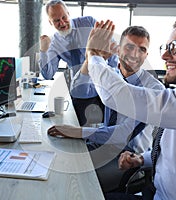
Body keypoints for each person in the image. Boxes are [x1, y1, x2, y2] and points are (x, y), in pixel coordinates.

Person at [84, 15, 176, 199]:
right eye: (167, 47)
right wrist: (142, 159)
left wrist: (93, 54)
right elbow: (173, 153)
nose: (165, 56)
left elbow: (118, 95)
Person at [48, 26, 165, 192]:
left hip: (126, 157)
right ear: (117, 49)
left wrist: (79, 131)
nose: (135, 54)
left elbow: (123, 134)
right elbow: (79, 91)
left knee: (75, 180)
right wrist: (89, 60)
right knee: (60, 159)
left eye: (142, 49)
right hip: (101, 143)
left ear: (146, 55)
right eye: (130, 46)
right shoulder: (111, 74)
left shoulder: (153, 89)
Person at [39, 0, 118, 126]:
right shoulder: (54, 43)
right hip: (82, 92)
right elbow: (47, 75)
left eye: (64, 17)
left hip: (104, 87)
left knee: (108, 130)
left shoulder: (88, 23)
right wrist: (43, 50)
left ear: (68, 13)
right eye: (56, 20)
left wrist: (102, 58)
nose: (62, 23)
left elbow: (114, 58)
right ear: (50, 22)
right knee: (81, 132)